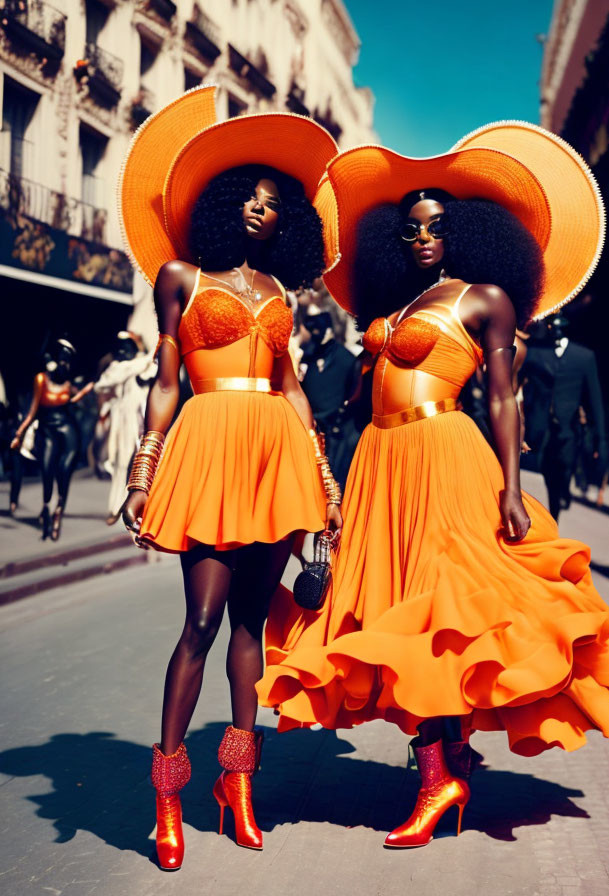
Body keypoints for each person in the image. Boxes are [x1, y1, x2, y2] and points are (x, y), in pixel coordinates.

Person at [257, 122, 609, 848]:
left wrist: (510, 485)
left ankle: (439, 782)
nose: (421, 237)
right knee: (400, 610)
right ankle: (453, 759)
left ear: (462, 233)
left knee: (443, 611)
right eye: (410, 230)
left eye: (435, 226)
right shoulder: (399, 306)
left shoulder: (484, 298)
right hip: (381, 462)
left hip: (445, 455)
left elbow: (502, 399)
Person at [117, 87, 341, 870]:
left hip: (275, 450)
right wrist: (145, 469)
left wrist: (321, 474)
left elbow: (290, 385)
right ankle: (168, 794)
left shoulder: (281, 293)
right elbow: (166, 381)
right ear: (220, 205)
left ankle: (238, 786)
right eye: (245, 196)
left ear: (287, 223)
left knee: (252, 626)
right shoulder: (179, 276)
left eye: (272, 202)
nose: (257, 207)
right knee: (202, 624)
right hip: (209, 444)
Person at [521, 313, 606, 520]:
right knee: (548, 471)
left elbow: (594, 400)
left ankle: (563, 490)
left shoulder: (584, 357)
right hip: (543, 428)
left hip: (569, 429)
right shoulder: (535, 354)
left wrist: (600, 439)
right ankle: (555, 510)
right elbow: (519, 386)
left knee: (565, 467)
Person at [10, 340, 93, 540]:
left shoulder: (67, 383)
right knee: (47, 470)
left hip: (68, 429)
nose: (65, 365)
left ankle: (58, 512)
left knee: (65, 470)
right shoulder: (41, 380)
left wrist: (85, 391)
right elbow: (32, 412)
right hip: (47, 429)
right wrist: (19, 434)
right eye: (63, 360)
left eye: (68, 362)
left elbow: (74, 399)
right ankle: (46, 507)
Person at [298, 307, 361, 492]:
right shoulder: (306, 360)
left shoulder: (346, 360)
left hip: (336, 432)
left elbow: (352, 395)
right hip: (311, 430)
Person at [93, 332, 154, 524]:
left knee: (149, 466)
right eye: (120, 347)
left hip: (147, 422)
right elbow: (101, 385)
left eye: (127, 346)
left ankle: (149, 510)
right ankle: (115, 507)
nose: (123, 350)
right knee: (121, 464)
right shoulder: (119, 369)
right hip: (125, 423)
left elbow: (150, 369)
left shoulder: (146, 365)